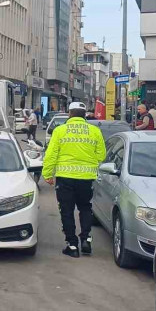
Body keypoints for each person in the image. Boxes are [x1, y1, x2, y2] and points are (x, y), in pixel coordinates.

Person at [41, 102, 106, 258]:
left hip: (65, 179)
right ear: (85, 115)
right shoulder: (95, 131)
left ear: (69, 114)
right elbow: (101, 155)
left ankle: (72, 245)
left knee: (67, 210)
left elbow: (51, 154)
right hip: (86, 179)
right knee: (85, 208)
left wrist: (47, 174)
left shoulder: (60, 131)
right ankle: (86, 240)